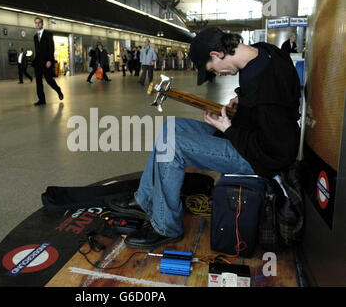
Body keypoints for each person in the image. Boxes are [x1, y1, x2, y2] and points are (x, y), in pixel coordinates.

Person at [108, 27, 301, 249]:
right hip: (246, 134)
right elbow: (266, 105)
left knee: (173, 145)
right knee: (172, 126)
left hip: (258, 158)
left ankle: (166, 227)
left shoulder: (268, 88)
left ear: (216, 54)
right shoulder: (263, 52)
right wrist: (242, 101)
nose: (217, 74)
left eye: (212, 70)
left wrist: (229, 130)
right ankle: (145, 200)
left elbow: (275, 149)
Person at [32, 17, 64, 106]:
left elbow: (51, 48)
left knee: (49, 79)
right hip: (38, 62)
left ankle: (58, 90)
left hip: (46, 61)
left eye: (39, 23)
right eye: (36, 23)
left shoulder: (48, 34)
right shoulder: (35, 37)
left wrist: (50, 60)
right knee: (38, 82)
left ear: (42, 24)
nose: (37, 24)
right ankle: (41, 100)